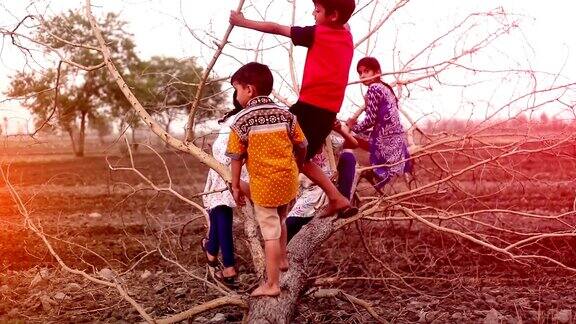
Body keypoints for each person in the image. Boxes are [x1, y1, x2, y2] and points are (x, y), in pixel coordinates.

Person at [230, 0, 357, 218]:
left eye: (317, 10)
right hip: (327, 111)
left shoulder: (317, 33)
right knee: (302, 159)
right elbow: (345, 21)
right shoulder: (346, 35)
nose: (313, 13)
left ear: (334, 15)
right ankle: (336, 198)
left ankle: (262, 193)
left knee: (280, 148)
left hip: (310, 107)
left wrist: (241, 22)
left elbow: (276, 28)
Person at [226, 62, 307, 297]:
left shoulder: (241, 121)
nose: (236, 95)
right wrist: (298, 166)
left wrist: (235, 186)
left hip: (264, 186)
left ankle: (272, 284)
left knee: (269, 233)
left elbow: (236, 157)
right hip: (288, 181)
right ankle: (282, 259)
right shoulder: (286, 114)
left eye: (237, 89)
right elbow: (302, 145)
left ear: (249, 90)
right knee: (281, 218)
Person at [201, 91, 248, 286]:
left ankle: (214, 252)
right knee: (220, 210)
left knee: (220, 210)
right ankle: (217, 255)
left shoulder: (238, 117)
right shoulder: (234, 118)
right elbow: (223, 148)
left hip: (232, 169)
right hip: (226, 168)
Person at [347, 57, 412, 188]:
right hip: (397, 140)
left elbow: (370, 120)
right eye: (360, 73)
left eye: (366, 71)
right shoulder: (386, 87)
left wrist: (353, 126)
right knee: (358, 137)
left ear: (377, 72)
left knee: (347, 139)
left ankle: (363, 172)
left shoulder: (373, 88)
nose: (362, 75)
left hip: (385, 141)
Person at [286, 122, 358, 242]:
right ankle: (280, 255)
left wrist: (340, 130)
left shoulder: (327, 139)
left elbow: (353, 144)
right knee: (290, 225)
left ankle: (343, 205)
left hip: (333, 189)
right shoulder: (299, 144)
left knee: (348, 156)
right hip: (311, 191)